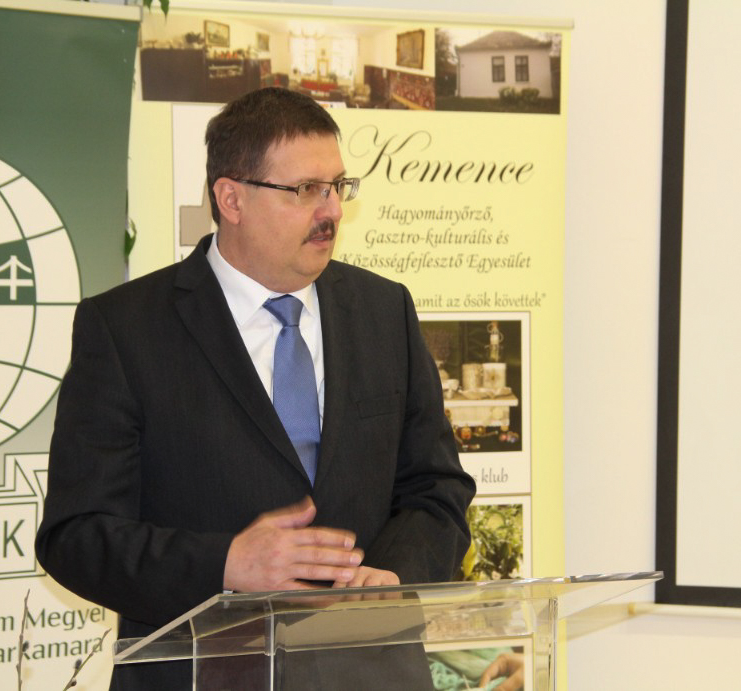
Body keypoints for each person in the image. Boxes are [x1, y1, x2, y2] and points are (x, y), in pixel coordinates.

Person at [35, 87, 476, 690]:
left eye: (338, 186)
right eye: (306, 189)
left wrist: (395, 575)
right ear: (231, 198)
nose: (332, 210)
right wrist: (225, 565)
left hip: (371, 672)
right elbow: (76, 536)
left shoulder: (383, 309)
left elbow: (437, 487)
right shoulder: (126, 328)